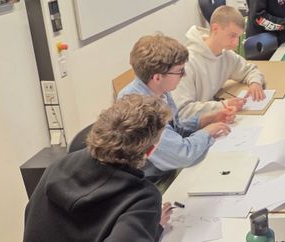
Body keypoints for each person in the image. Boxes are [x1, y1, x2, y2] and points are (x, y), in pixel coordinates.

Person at [24, 95, 173, 241]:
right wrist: (151, 226)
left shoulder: (57, 167)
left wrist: (145, 226)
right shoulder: (142, 197)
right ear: (149, 150)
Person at [119, 34, 234, 181]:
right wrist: (206, 132)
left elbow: (174, 128)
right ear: (157, 77)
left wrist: (205, 121)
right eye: (180, 71)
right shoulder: (138, 109)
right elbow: (181, 154)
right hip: (152, 182)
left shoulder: (159, 90)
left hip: (167, 168)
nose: (184, 75)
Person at [172, 5, 265, 119]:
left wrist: (255, 83)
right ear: (215, 29)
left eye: (238, 37)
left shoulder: (226, 55)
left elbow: (250, 69)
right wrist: (222, 106)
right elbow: (182, 112)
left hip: (212, 118)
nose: (236, 43)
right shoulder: (186, 63)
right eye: (232, 36)